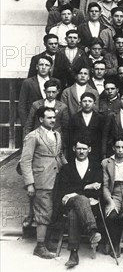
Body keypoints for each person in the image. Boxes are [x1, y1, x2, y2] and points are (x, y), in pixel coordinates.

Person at [20, 107, 68, 259]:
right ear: (41, 119)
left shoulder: (57, 134)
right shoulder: (33, 136)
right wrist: (29, 184)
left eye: (54, 117)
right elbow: (25, 161)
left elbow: (59, 155)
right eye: (49, 118)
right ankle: (39, 246)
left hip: (57, 178)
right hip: (41, 180)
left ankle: (46, 242)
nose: (53, 120)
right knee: (43, 212)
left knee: (52, 211)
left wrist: (68, 170)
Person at [55, 138, 103, 268]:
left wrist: (75, 192)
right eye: (79, 148)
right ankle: (92, 231)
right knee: (81, 199)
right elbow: (64, 190)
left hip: (88, 206)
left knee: (74, 213)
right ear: (74, 149)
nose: (81, 151)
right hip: (69, 202)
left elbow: (99, 189)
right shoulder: (66, 168)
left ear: (89, 149)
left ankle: (74, 254)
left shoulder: (96, 167)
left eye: (84, 148)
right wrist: (86, 188)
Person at [101, 137, 123, 258]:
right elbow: (105, 186)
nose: (120, 150)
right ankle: (114, 244)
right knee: (112, 215)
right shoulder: (106, 163)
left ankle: (119, 236)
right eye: (117, 147)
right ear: (113, 148)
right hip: (114, 191)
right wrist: (110, 201)